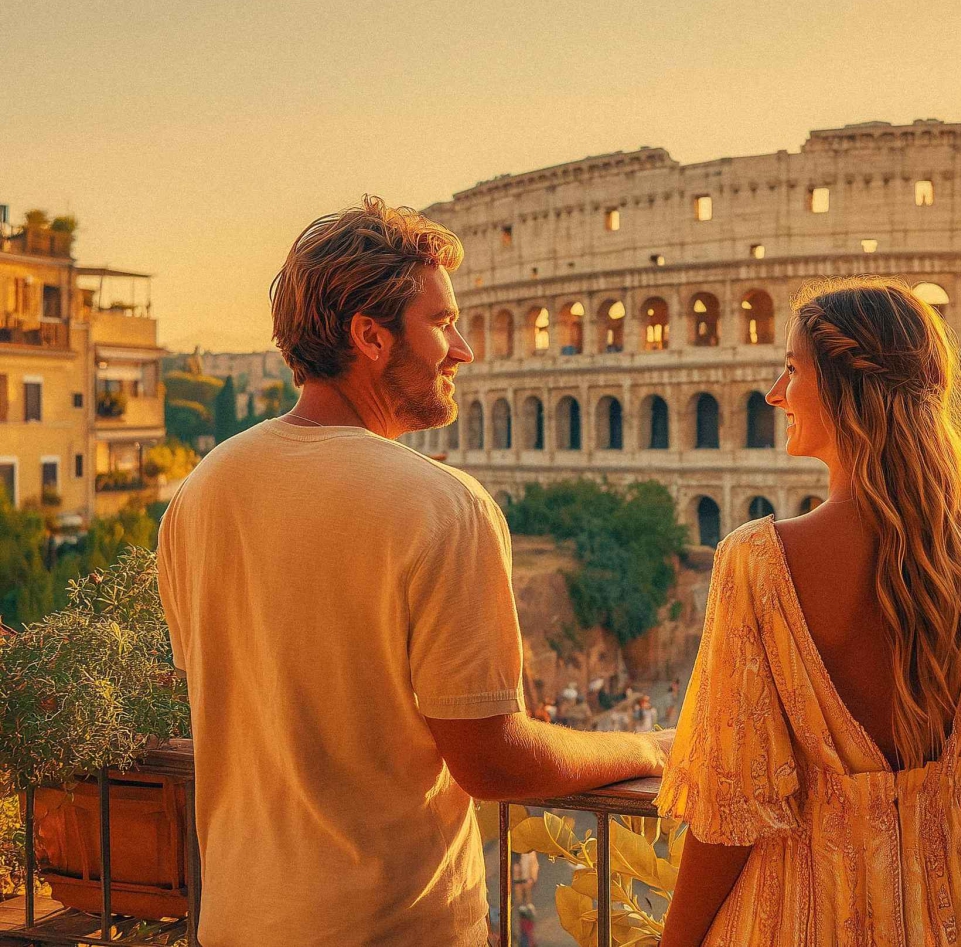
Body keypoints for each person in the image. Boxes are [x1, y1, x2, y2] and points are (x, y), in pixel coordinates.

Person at [157, 198, 673, 946]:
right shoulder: (443, 505)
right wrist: (646, 749)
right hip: (392, 927)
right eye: (441, 323)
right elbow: (492, 758)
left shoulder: (201, 490)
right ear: (370, 335)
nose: (462, 349)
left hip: (235, 921)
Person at [655, 278, 961, 947]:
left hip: (792, 919)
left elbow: (729, 818)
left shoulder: (758, 561)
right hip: (947, 921)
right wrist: (940, 762)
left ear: (842, 389)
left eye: (791, 370)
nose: (773, 394)